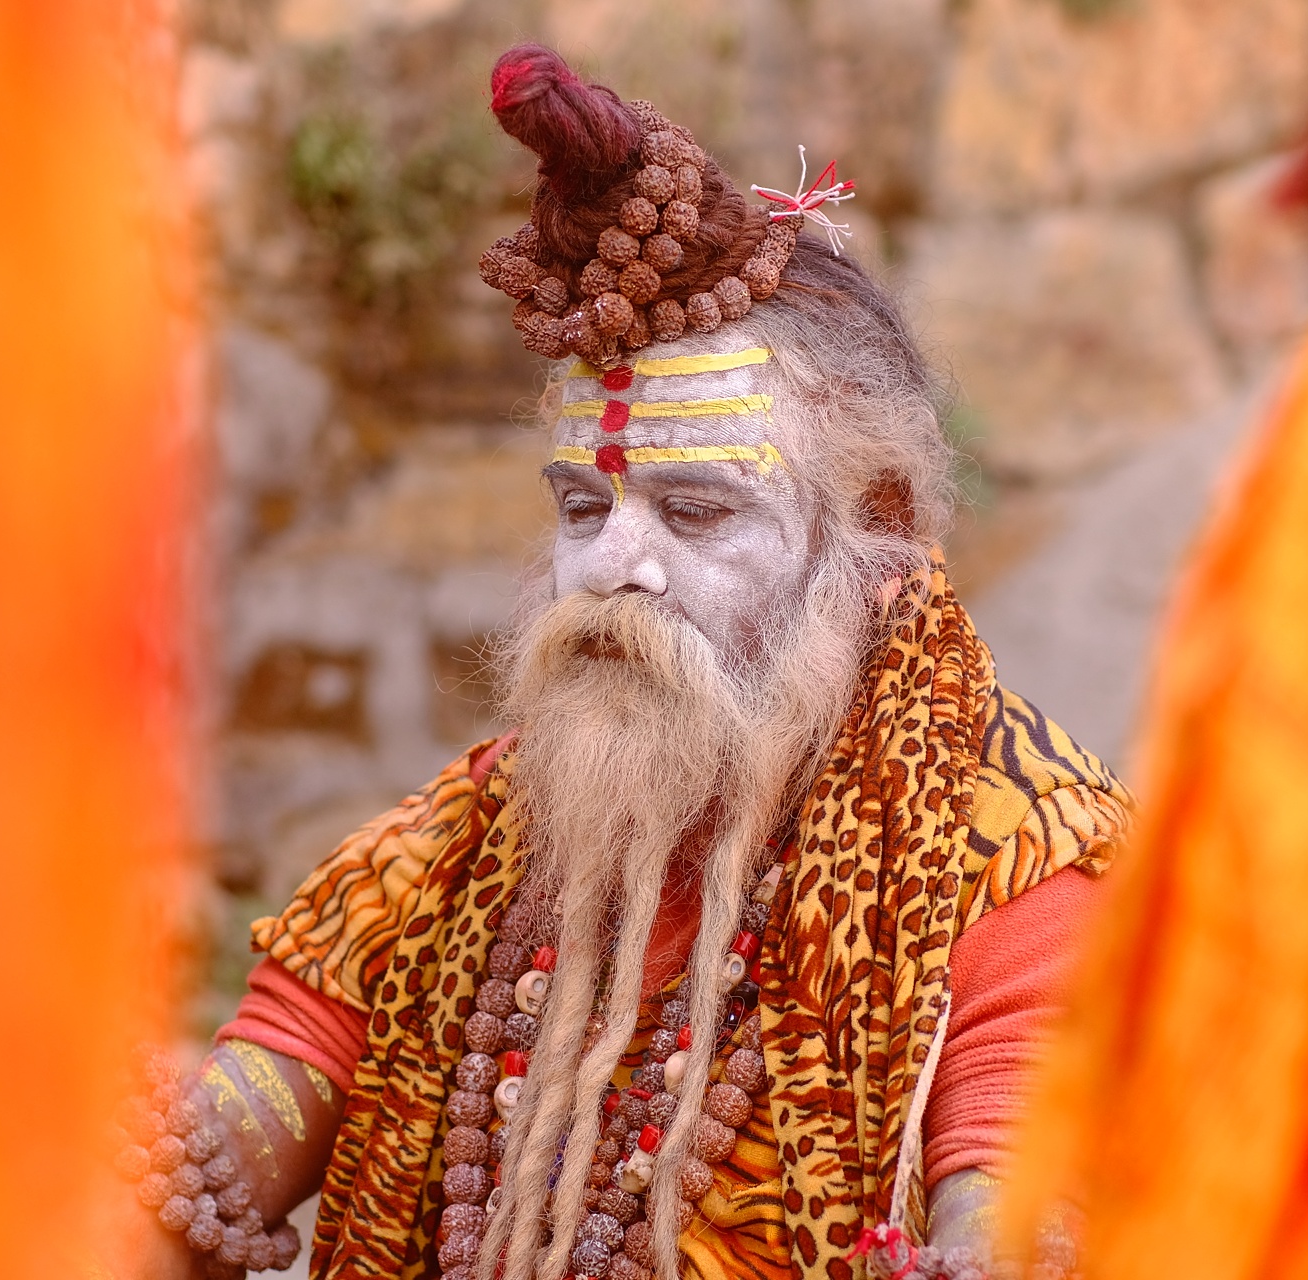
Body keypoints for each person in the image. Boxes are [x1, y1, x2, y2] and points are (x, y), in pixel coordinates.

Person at [100, 44, 1130, 1280]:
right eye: (583, 507)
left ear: (879, 530)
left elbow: (1020, 1225)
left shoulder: (1013, 870)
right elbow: (198, 1169)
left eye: (695, 512)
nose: (610, 564)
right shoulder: (455, 849)